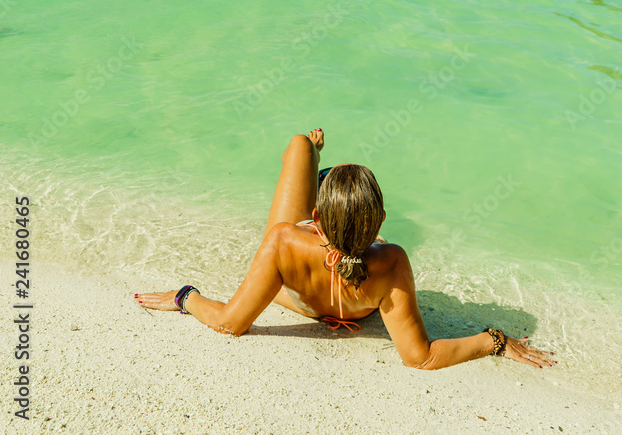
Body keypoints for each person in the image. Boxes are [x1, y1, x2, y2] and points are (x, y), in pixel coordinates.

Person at [135, 130, 554, 370]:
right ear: (382, 219)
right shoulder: (390, 262)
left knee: (298, 144)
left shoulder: (285, 239)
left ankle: (313, 156)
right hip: (349, 272)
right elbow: (420, 357)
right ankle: (325, 173)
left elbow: (229, 323)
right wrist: (492, 340)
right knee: (312, 161)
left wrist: (185, 297)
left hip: (294, 278)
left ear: (315, 216)